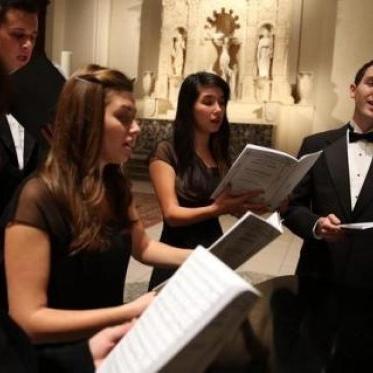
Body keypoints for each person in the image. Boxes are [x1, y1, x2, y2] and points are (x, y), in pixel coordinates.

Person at [3, 66, 191, 344]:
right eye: (123, 117)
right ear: (86, 121)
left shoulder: (114, 183)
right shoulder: (38, 197)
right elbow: (28, 320)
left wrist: (202, 258)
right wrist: (131, 311)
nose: (137, 128)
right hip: (56, 357)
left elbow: (143, 247)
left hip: (108, 345)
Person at [148, 71, 267, 290]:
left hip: (213, 248)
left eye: (222, 103)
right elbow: (171, 214)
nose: (218, 110)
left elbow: (227, 203)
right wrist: (217, 208)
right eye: (208, 102)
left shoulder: (219, 152)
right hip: (177, 253)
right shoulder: (167, 151)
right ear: (188, 107)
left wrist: (252, 206)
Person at [283, 60, 373, 287]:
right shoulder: (315, 145)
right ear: (353, 90)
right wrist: (316, 225)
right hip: (319, 272)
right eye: (371, 83)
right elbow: (291, 207)